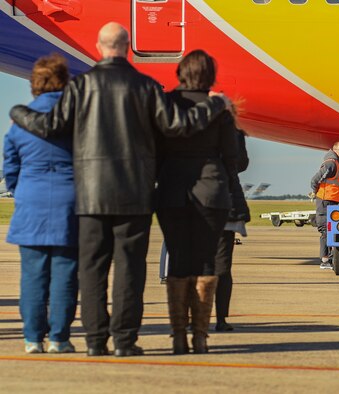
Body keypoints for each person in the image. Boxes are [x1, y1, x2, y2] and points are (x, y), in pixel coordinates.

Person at [9, 22, 231, 357]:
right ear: (127, 47)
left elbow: (49, 125)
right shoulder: (146, 86)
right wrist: (216, 104)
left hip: (91, 195)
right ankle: (125, 341)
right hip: (134, 193)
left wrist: (17, 111)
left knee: (92, 269)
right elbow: (178, 125)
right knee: (130, 269)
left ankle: (96, 340)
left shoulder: (81, 86)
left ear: (99, 46)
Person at [156, 50, 240, 354]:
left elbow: (156, 149)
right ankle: (201, 336)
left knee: (178, 260)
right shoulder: (219, 107)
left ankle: (179, 335)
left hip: (172, 189)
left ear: (180, 72)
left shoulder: (166, 104)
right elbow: (233, 157)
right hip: (211, 189)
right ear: (209, 75)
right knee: (207, 261)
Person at [4, 54, 78, 354]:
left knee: (32, 277)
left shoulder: (19, 122)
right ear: (64, 81)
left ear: (34, 83)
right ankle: (59, 337)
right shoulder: (76, 118)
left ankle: (33, 337)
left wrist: (20, 191)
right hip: (68, 202)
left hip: (31, 202)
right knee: (65, 275)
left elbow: (10, 167)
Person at [214, 125, 251, 332]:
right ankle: (221, 319)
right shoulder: (233, 132)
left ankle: (191, 321)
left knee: (190, 266)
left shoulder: (185, 123)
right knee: (223, 266)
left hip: (190, 201)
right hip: (224, 201)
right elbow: (242, 164)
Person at [311, 141, 339, 270]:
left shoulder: (338, 164)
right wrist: (317, 193)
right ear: (334, 150)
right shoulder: (331, 163)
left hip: (333, 202)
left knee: (333, 230)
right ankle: (325, 260)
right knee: (326, 230)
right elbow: (315, 180)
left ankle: (330, 258)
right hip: (325, 202)